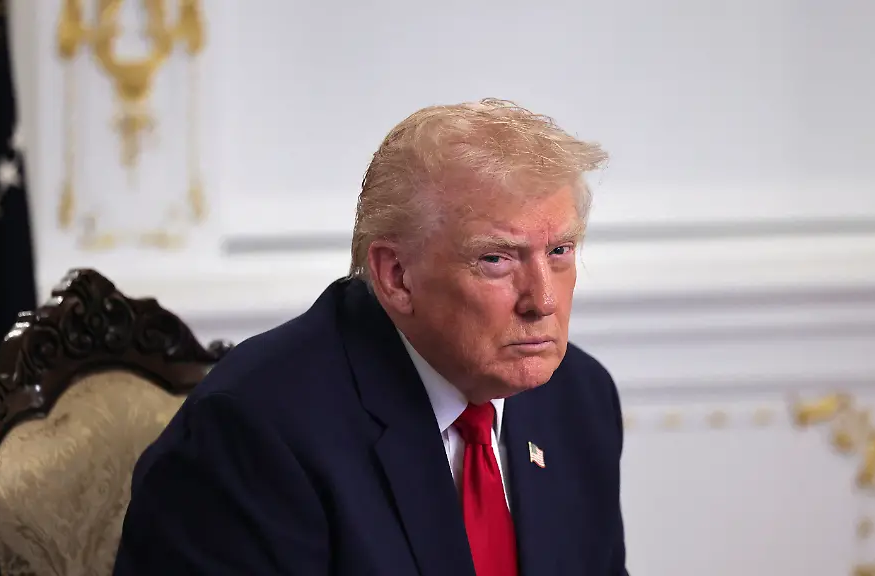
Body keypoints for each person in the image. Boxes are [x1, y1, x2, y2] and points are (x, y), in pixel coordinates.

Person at [113, 98, 628, 576]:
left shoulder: (578, 397)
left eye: (560, 251)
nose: (543, 300)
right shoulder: (254, 432)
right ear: (397, 275)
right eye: (496, 259)